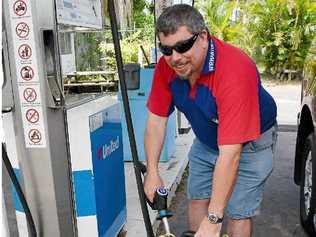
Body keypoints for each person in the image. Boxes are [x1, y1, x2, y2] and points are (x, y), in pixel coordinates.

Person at [143, 4, 277, 237]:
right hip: (207, 139)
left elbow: (231, 154)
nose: (175, 57)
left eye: (183, 46)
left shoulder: (235, 70)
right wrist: (152, 171)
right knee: (197, 201)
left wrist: (214, 219)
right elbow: (156, 121)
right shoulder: (168, 66)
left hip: (250, 142)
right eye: (166, 50)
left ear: (203, 36)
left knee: (237, 212)